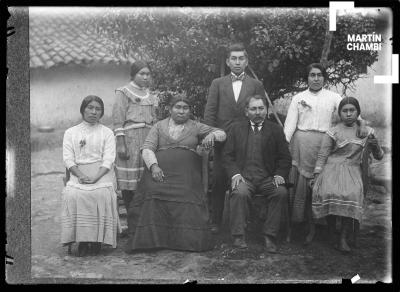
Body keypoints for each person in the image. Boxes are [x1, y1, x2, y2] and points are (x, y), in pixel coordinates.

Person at [126, 95, 226, 252]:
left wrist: (212, 135)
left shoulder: (195, 126)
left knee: (187, 192)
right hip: (160, 171)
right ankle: (152, 241)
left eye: (185, 108)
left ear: (189, 111)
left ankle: (186, 242)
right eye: (177, 107)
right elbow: (147, 148)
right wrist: (153, 167)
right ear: (170, 109)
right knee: (152, 191)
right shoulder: (159, 126)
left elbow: (222, 133)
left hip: (186, 173)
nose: (181, 111)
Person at [283, 63, 368, 244]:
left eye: (319, 75)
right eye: (312, 75)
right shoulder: (298, 98)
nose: (316, 78)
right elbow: (290, 125)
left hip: (326, 145)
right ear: (307, 78)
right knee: (302, 187)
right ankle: (305, 226)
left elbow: (352, 111)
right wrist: (285, 145)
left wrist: (362, 126)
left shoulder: (334, 97)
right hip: (302, 145)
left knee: (320, 184)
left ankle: (323, 225)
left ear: (324, 78)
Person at [204, 43, 266, 234]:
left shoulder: (256, 85)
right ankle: (216, 222)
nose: (237, 62)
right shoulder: (218, 83)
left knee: (244, 180)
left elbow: (260, 111)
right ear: (228, 61)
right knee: (220, 179)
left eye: (241, 59)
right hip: (223, 140)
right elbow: (210, 112)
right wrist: (211, 133)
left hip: (248, 140)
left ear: (246, 62)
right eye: (234, 59)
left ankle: (243, 222)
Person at [311, 97, 384, 252]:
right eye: (345, 111)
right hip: (332, 168)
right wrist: (317, 174)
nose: (349, 114)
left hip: (353, 169)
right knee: (329, 191)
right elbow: (323, 155)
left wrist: (375, 144)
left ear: (358, 112)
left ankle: (343, 237)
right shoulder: (333, 131)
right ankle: (332, 231)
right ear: (340, 113)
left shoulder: (366, 132)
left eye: (352, 110)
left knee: (351, 194)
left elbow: (379, 156)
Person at [222, 95, 291, 253]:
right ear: (246, 111)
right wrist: (235, 174)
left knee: (280, 192)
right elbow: (227, 156)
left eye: (261, 108)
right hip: (245, 178)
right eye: (253, 109)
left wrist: (280, 175)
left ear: (266, 110)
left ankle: (270, 235)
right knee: (239, 192)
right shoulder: (236, 128)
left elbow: (285, 157)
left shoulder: (275, 130)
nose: (258, 112)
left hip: (268, 178)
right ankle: (238, 235)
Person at [61, 95, 120, 256]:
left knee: (101, 193)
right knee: (74, 194)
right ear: (83, 109)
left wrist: (96, 177)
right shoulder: (70, 132)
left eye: (98, 109)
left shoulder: (107, 133)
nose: (94, 112)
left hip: (102, 174)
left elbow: (109, 159)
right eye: (90, 107)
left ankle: (96, 240)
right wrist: (80, 175)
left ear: (101, 112)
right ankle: (82, 239)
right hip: (78, 173)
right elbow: (68, 158)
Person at [112, 61, 159, 221]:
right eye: (142, 74)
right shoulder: (123, 92)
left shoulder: (151, 96)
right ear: (133, 75)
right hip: (130, 139)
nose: (145, 77)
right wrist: (121, 143)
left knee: (144, 180)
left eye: (148, 74)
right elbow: (118, 118)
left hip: (147, 139)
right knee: (129, 182)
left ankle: (143, 222)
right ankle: (132, 220)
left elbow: (155, 120)